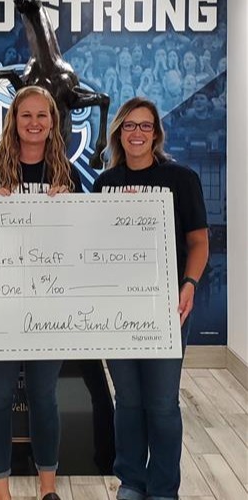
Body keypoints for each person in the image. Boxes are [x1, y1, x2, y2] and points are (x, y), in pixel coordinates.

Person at [93, 97, 209, 500]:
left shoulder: (181, 178)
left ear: (156, 134)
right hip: (117, 308)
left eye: (145, 126)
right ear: (118, 133)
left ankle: (162, 488)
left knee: (161, 402)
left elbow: (198, 242)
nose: (137, 133)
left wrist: (189, 284)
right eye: (129, 126)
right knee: (126, 400)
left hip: (168, 306)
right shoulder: (104, 185)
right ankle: (131, 481)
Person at [0, 85, 82, 500]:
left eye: (42, 115)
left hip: (47, 304)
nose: (34, 123)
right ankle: (1, 491)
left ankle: (47, 488)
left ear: (53, 121)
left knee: (43, 397)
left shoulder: (67, 175)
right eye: (25, 115)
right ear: (13, 122)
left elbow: (81, 242)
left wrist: (70, 209)